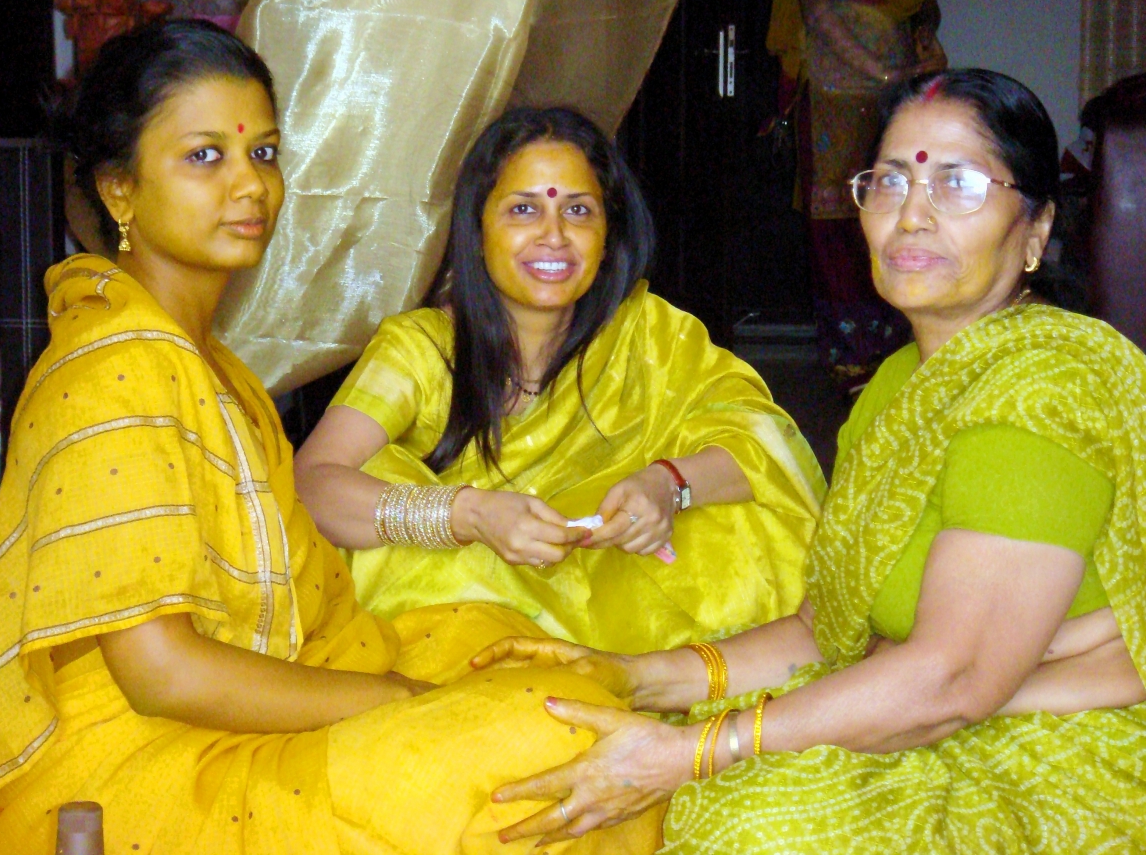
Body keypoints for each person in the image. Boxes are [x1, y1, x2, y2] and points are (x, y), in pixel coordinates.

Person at [0, 20, 664, 855]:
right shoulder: (110, 373)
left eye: (264, 153)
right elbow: (162, 674)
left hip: (258, 690)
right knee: (550, 753)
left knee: (541, 680)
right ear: (118, 191)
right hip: (142, 763)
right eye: (205, 156)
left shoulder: (209, 363)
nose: (250, 186)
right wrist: (394, 701)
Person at [473, 70, 1146, 852]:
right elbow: (824, 632)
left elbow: (953, 680)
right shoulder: (897, 385)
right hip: (951, 710)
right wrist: (632, 674)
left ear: (1034, 231)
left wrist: (693, 752)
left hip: (1070, 761)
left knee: (739, 817)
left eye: (957, 183)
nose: (913, 215)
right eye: (890, 180)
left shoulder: (1043, 388)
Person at [293, 107, 826, 655]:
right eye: (523, 210)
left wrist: (667, 486)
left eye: (578, 211)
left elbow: (767, 444)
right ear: (477, 231)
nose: (554, 236)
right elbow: (311, 484)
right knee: (380, 489)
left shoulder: (648, 335)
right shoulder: (422, 347)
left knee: (741, 528)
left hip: (616, 593)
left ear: (608, 232)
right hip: (475, 610)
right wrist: (471, 515)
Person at [767, 0, 948, 391]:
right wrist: (887, 74)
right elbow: (821, 16)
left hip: (898, 97)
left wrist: (919, 68)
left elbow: (921, 18)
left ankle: (903, 352)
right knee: (840, 220)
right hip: (840, 98)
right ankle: (853, 360)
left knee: (902, 210)